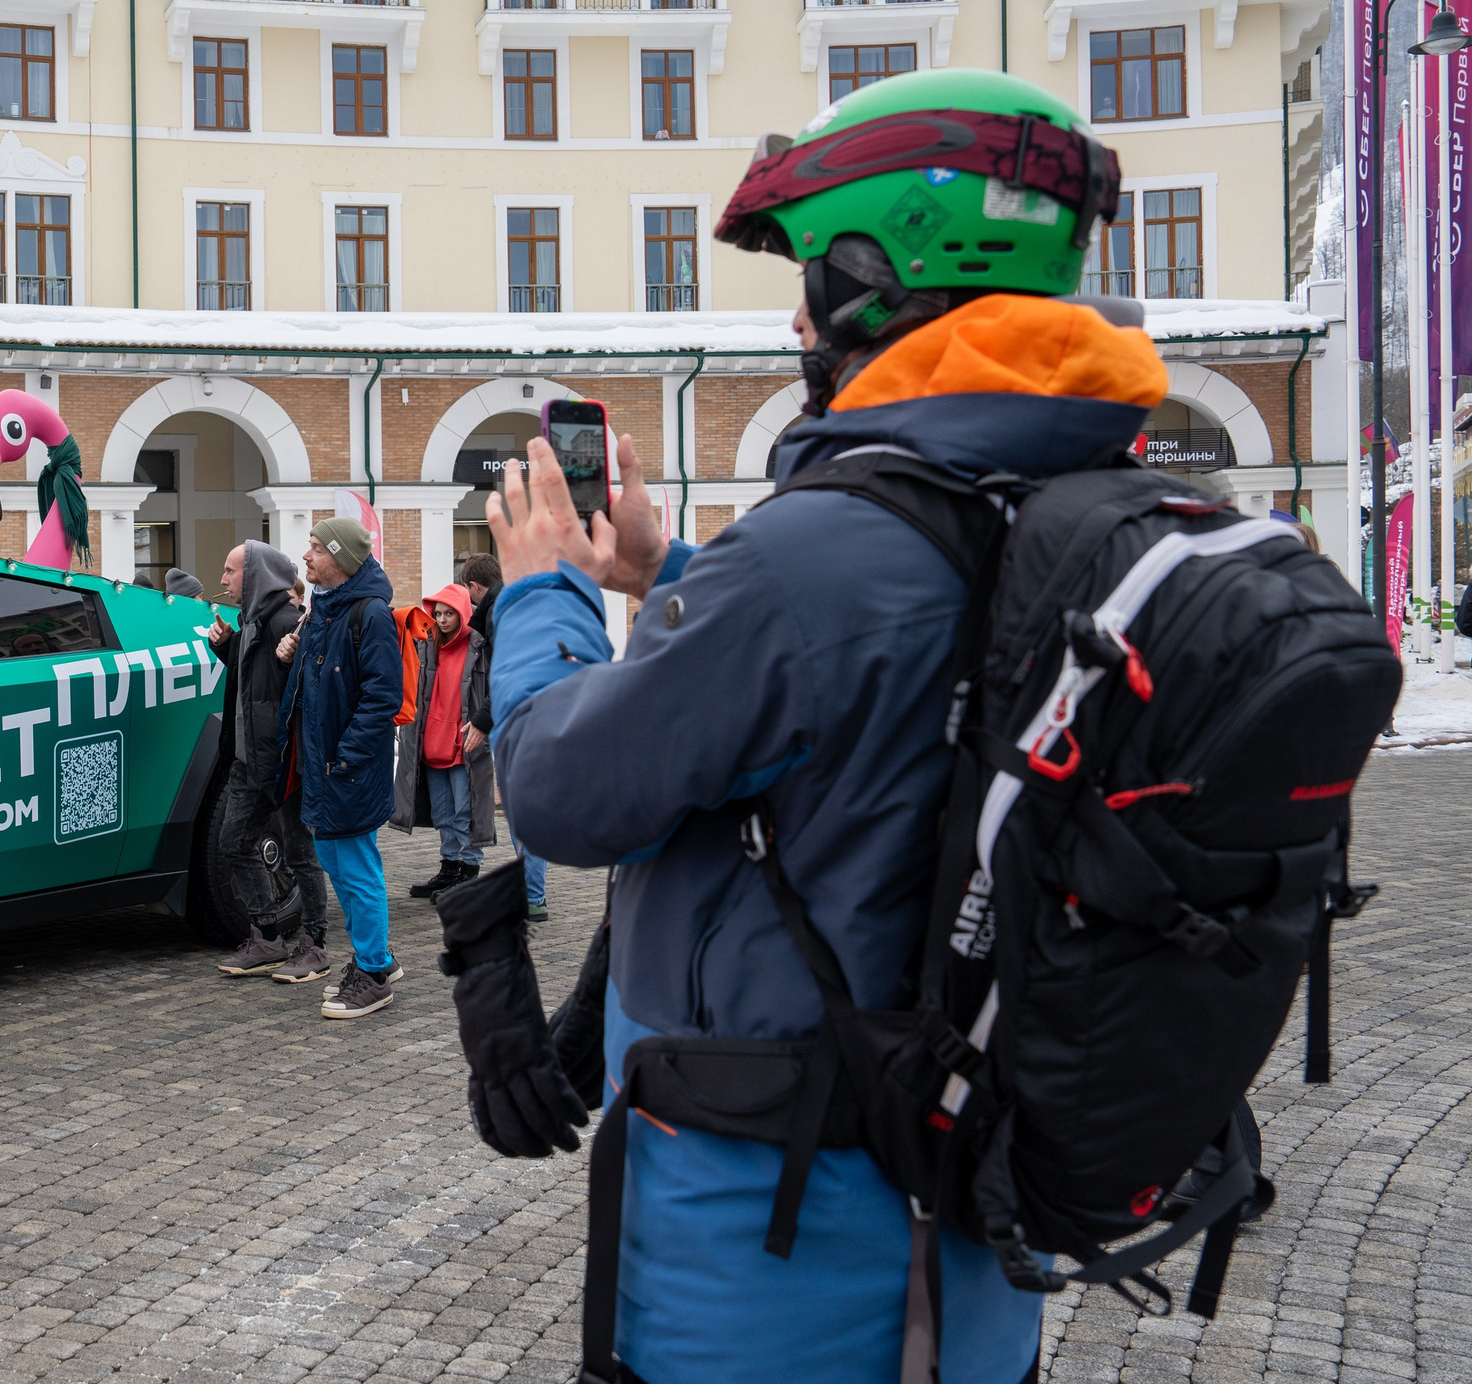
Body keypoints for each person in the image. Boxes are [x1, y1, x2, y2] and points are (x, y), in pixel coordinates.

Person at [485, 68, 1148, 1382]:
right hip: (961, 1231)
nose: (795, 314)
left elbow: (561, 786)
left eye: (808, 278)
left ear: (870, 278)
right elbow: (883, 700)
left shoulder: (813, 558)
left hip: (773, 1263)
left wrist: (546, 593)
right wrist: (676, 577)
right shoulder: (1075, 507)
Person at [274, 517, 404, 1020]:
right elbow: (322, 685)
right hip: (322, 768)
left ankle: (372, 973)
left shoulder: (369, 614)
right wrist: (291, 656)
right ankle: (380, 958)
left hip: (345, 767)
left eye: (315, 548)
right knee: (335, 863)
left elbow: (381, 696)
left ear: (341, 559)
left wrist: (346, 755)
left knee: (355, 870)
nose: (306, 556)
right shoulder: (321, 612)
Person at [205, 540, 333, 984]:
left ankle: (315, 944)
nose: (223, 580)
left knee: (301, 854)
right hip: (248, 761)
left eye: (230, 570)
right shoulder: (252, 622)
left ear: (254, 574)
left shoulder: (285, 622)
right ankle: (268, 937)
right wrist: (226, 647)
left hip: (283, 762)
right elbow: (253, 685)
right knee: (234, 844)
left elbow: (306, 689)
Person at [390, 581, 493, 900]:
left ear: (463, 613)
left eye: (450, 613)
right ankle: (450, 869)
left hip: (465, 744)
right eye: (439, 613)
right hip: (431, 744)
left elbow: (493, 688)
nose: (444, 619)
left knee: (467, 810)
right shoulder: (425, 643)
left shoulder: (479, 646)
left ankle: (470, 872)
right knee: (445, 814)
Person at [458, 553, 541, 917]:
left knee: (524, 811)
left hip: (518, 717)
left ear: (476, 586)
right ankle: (531, 892)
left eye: (468, 592)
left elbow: (511, 671)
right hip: (532, 713)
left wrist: (482, 719)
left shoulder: (498, 610)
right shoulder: (517, 602)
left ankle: (533, 897)